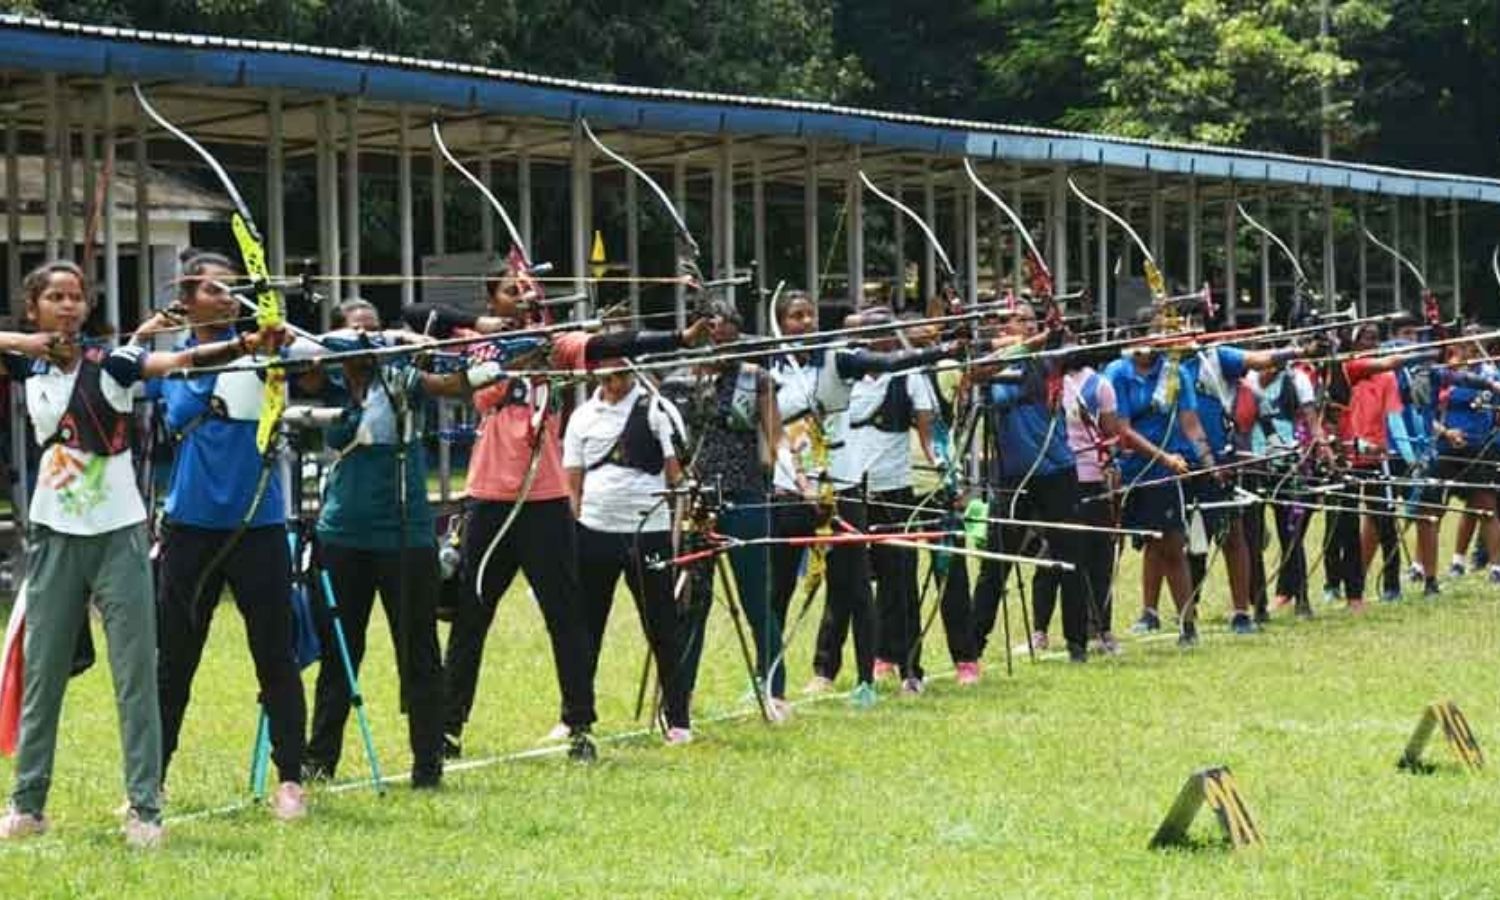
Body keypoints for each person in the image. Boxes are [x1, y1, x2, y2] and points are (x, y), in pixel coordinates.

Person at [0, 259, 272, 844]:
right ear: (34, 308)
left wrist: (247, 342)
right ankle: (28, 804)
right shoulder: (24, 361)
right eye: (55, 297)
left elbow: (175, 361)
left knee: (135, 676)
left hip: (119, 531)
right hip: (53, 531)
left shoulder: (113, 360)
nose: (69, 305)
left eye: (76, 297)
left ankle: (145, 809)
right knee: (44, 672)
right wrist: (26, 341)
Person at [403, 269, 711, 762]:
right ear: (492, 298)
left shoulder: (554, 343)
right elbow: (417, 316)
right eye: (512, 291)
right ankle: (448, 727)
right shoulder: (470, 342)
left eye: (530, 293)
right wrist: (486, 329)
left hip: (544, 500)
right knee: (471, 615)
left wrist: (679, 336)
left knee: (565, 617)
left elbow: (613, 345)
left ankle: (579, 726)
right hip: (488, 498)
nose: (524, 298)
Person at [145, 250, 321, 820]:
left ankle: (291, 779)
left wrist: (286, 334)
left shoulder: (267, 348)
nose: (227, 299)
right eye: (215, 290)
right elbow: (156, 398)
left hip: (259, 523)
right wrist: (156, 333)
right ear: (188, 298)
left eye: (234, 290)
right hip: (192, 525)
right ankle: (153, 780)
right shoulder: (170, 359)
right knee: (175, 658)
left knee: (275, 652)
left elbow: (325, 358)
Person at [768, 291, 958, 706]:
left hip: (842, 485)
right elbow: (770, 430)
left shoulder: (837, 358)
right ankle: (770, 680)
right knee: (777, 589)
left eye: (810, 314)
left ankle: (865, 681)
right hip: (790, 487)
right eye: (796, 316)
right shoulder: (771, 366)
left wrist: (938, 351)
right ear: (781, 324)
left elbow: (885, 361)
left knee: (854, 586)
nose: (805, 322)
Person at [302, 300, 457, 789]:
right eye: (355, 333)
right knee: (339, 653)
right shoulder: (321, 376)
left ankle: (427, 764)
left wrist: (416, 344)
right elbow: (300, 366)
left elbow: (451, 381)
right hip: (342, 535)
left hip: (406, 536)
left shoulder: (404, 379)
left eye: (375, 331)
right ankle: (319, 759)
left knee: (419, 652)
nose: (366, 341)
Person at [663, 301, 788, 720]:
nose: (717, 335)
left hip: (746, 497)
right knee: (691, 600)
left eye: (725, 326)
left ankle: (774, 689)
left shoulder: (757, 380)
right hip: (697, 501)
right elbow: (670, 443)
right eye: (709, 327)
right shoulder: (679, 380)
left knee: (756, 598)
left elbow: (774, 438)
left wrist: (780, 474)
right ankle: (682, 696)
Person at [564, 362, 694, 742]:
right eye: (603, 372)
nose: (612, 381)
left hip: (647, 534)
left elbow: (677, 474)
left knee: (662, 626)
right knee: (585, 629)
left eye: (620, 373)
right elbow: (573, 484)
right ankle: (576, 718)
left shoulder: (655, 410)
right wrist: (572, 535)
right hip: (594, 532)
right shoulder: (582, 416)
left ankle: (679, 719)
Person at [810, 306, 938, 692]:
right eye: (870, 334)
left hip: (894, 488)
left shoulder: (907, 376)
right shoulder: (840, 376)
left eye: (884, 333)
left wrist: (942, 469)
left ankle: (910, 669)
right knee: (844, 583)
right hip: (849, 488)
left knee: (900, 581)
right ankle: (825, 670)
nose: (877, 340)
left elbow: (928, 436)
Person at [1104, 312, 1217, 647]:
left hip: (1163, 475)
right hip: (1125, 471)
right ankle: (1101, 630)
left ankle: (1188, 626)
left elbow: (1191, 424)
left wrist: (1209, 462)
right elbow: (1121, 429)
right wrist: (1164, 456)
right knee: (1111, 549)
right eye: (1145, 334)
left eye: (1157, 335)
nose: (1149, 344)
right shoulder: (1117, 372)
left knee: (1172, 546)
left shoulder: (1176, 372)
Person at [1436, 327, 1500, 583]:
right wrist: (1445, 432)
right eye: (1466, 348)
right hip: (1445, 448)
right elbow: (1431, 410)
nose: (1471, 354)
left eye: (1476, 349)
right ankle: (1443, 564)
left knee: (1483, 506)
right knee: (1433, 508)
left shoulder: (1490, 374)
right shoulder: (1445, 375)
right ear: (1456, 348)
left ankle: (1496, 567)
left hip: (1480, 447)